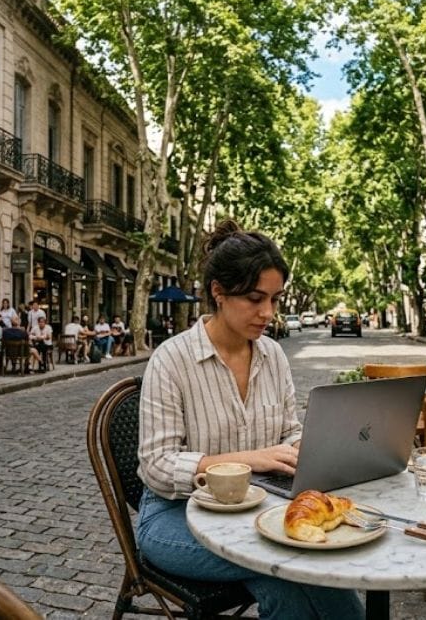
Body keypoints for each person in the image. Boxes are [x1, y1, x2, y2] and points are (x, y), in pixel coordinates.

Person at [136, 219, 363, 618]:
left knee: (283, 570)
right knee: (287, 557)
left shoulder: (272, 355)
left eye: (274, 299)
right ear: (218, 293)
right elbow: (156, 467)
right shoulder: (171, 360)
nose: (268, 313)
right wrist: (249, 459)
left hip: (257, 508)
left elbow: (288, 431)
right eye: (256, 299)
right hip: (173, 516)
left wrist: (312, 450)